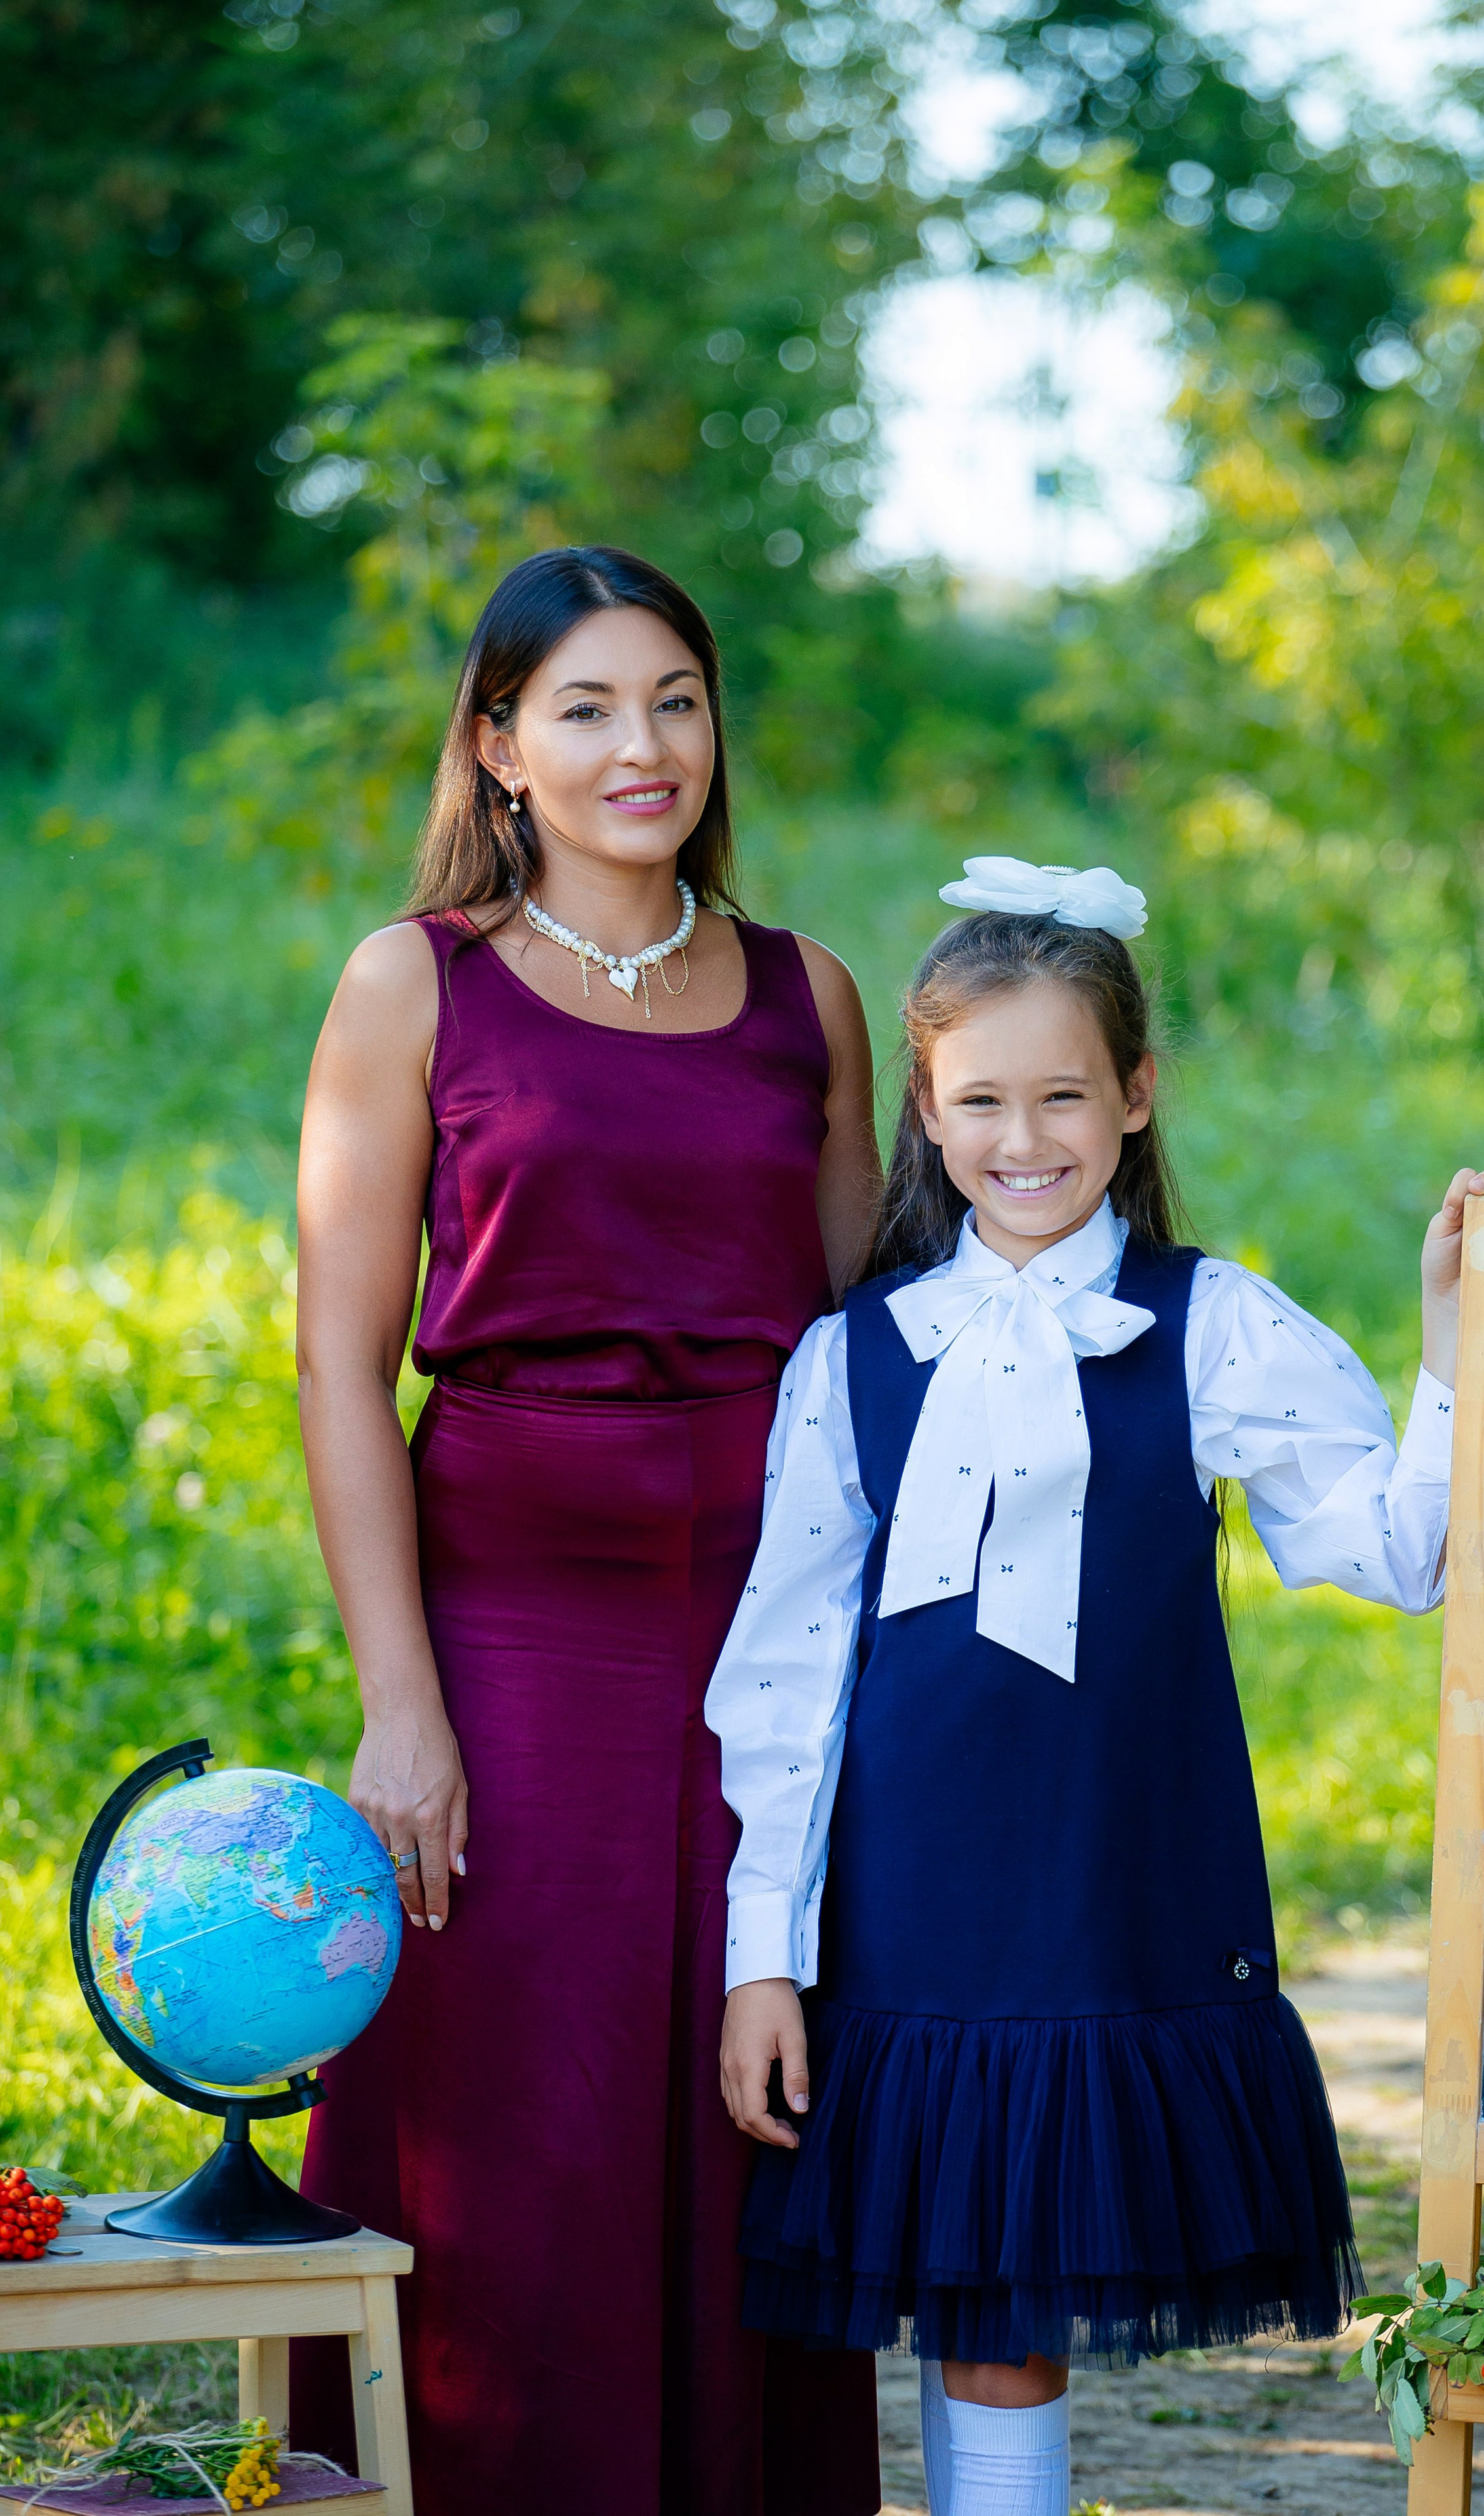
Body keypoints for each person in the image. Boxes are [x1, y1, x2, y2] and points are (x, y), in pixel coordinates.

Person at [704, 856, 1484, 2516]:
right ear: (926, 1117)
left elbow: (1395, 1553)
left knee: (1010, 2309)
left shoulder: (1210, 1325)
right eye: (981, 1102)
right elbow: (786, 1676)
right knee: (970, 2305)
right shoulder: (851, 1356)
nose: (1023, 1141)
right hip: (909, 1909)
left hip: (1115, 1887)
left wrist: (1452, 1338)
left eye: (1063, 1098)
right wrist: (761, 1957)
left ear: (1135, 1096)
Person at [289, 546, 882, 2515]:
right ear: (501, 748)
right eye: (589, 708)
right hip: (517, 1627)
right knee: (517, 2122)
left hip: (771, 1626)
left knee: (746, 2103)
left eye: (679, 700)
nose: (646, 746)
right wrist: (404, 1704)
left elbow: (876, 1357)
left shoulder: (809, 994)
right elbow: (339, 1364)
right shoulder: (416, 982)